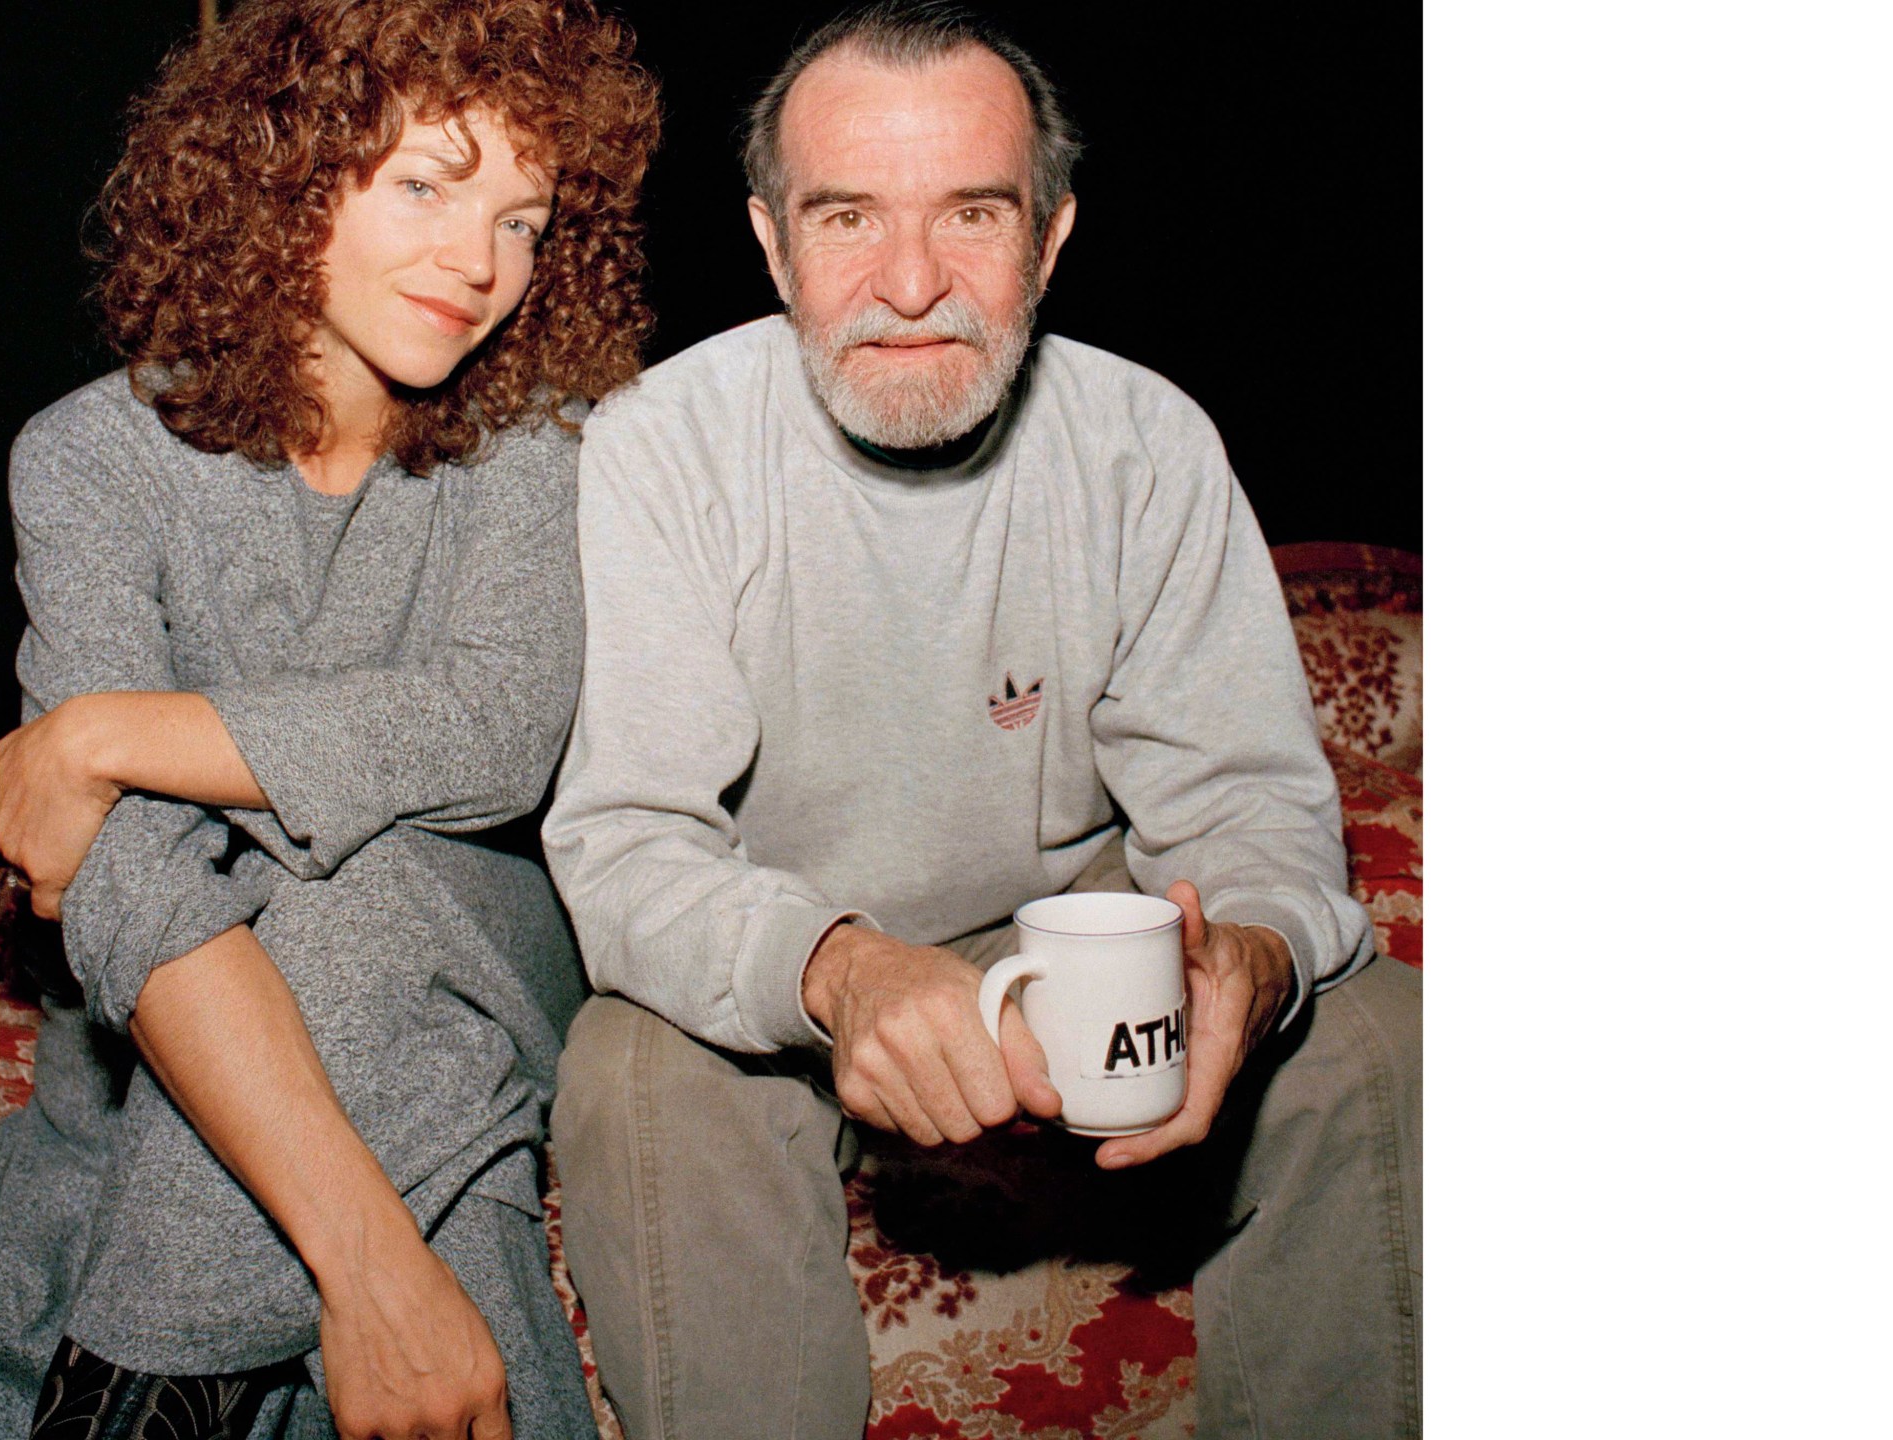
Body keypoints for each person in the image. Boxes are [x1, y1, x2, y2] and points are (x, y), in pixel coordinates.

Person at [538, 4, 1421, 1438]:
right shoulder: (656, 450)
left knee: (1381, 1042)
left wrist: (1249, 966)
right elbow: (632, 847)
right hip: (791, 965)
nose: (909, 284)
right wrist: (840, 973)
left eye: (970, 213)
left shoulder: (1149, 444)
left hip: (1067, 926)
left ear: (1050, 240)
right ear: (770, 245)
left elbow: (1256, 813)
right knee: (631, 1075)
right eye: (846, 219)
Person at [0, 3, 657, 1437]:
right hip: (195, 1054)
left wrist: (99, 735)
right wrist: (374, 1272)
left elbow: (492, 733)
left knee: (359, 902)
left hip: (473, 970)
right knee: (347, 970)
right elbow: (123, 881)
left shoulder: (534, 433)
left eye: (527, 221)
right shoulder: (90, 460)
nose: (482, 265)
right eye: (427, 183)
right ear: (279, 168)